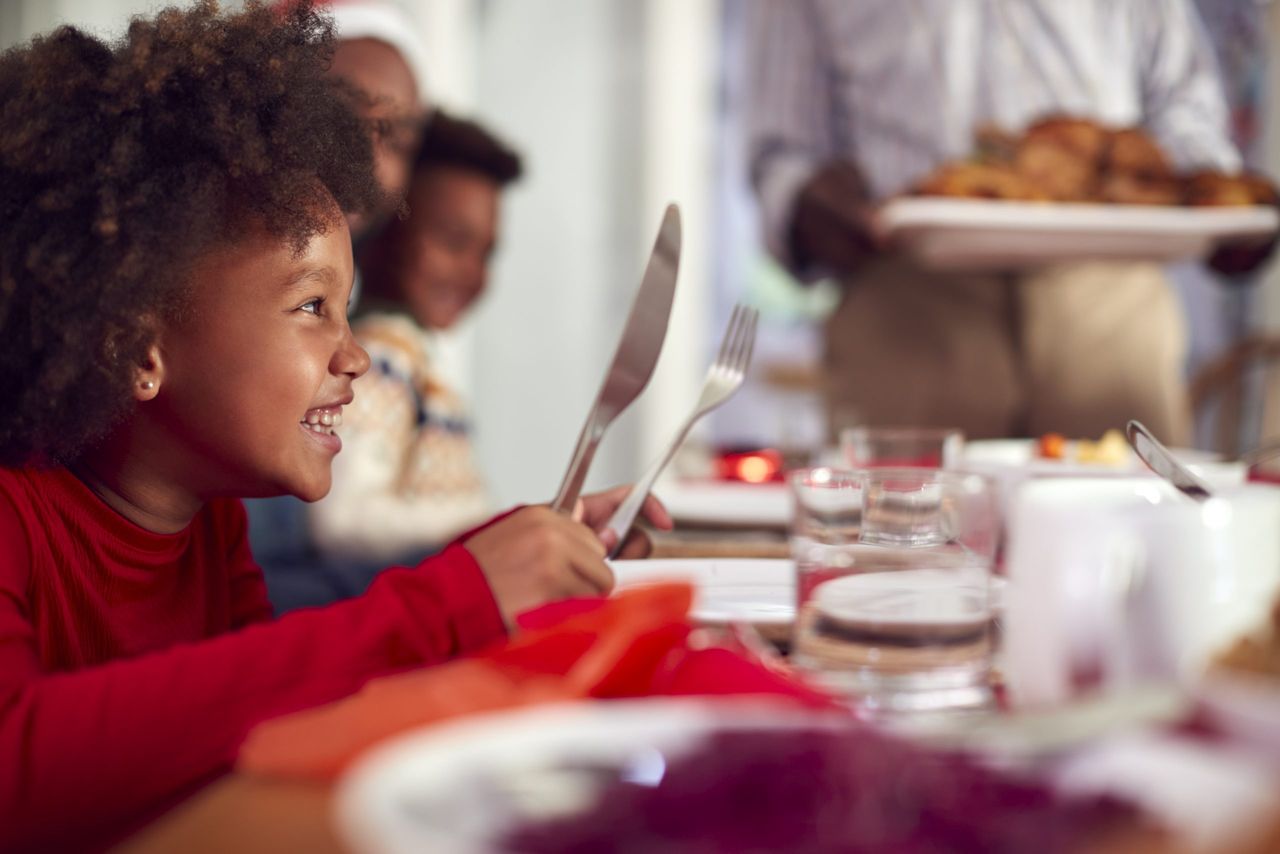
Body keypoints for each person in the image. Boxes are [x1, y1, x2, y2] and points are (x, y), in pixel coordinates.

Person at [0, 3, 667, 850]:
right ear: (137, 344)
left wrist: (507, 551)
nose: (353, 356)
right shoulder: (13, 515)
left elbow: (258, 721)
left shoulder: (210, 523)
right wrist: (443, 606)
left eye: (346, 311)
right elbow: (18, 761)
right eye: (312, 306)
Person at [747, 0, 1278, 444]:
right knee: (904, 546)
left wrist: (1220, 198)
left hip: (1111, 300)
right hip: (904, 305)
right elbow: (781, 149)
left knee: (1130, 534)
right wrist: (801, 203)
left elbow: (1182, 102)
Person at [307, 111, 521, 579]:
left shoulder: (410, 354)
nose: (472, 271)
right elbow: (343, 520)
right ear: (383, 231)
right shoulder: (382, 357)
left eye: (486, 252)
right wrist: (490, 525)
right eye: (452, 240)